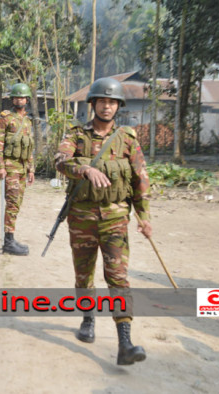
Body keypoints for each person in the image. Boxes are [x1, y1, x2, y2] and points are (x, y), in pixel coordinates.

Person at [54, 77, 151, 366]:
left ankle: (125, 342)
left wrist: (144, 218)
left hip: (115, 219)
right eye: (102, 101)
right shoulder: (76, 135)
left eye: (112, 102)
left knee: (118, 277)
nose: (106, 106)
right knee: (84, 275)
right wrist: (83, 169)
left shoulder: (127, 140)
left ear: (118, 106)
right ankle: (87, 319)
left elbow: (140, 180)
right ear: (93, 104)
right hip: (81, 218)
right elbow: (60, 161)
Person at [0, 83, 35, 255]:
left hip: (23, 168)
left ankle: (10, 238)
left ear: (27, 100)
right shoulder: (5, 118)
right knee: (12, 203)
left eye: (23, 97)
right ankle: (8, 242)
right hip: (10, 167)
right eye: (17, 97)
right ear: (13, 99)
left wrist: (31, 169)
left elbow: (29, 147)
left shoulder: (27, 121)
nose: (20, 100)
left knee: (17, 204)